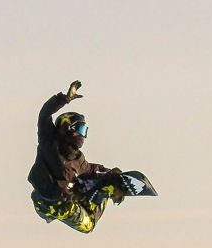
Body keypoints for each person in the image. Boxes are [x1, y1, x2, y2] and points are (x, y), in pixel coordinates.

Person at [29, 80, 138, 233]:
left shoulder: (78, 159)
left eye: (85, 130)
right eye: (80, 129)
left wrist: (112, 173)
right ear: (68, 128)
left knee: (90, 180)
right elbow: (44, 114)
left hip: (60, 203)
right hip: (48, 204)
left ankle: (106, 186)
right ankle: (108, 187)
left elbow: (92, 169)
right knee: (89, 226)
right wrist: (64, 98)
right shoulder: (50, 142)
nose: (83, 136)